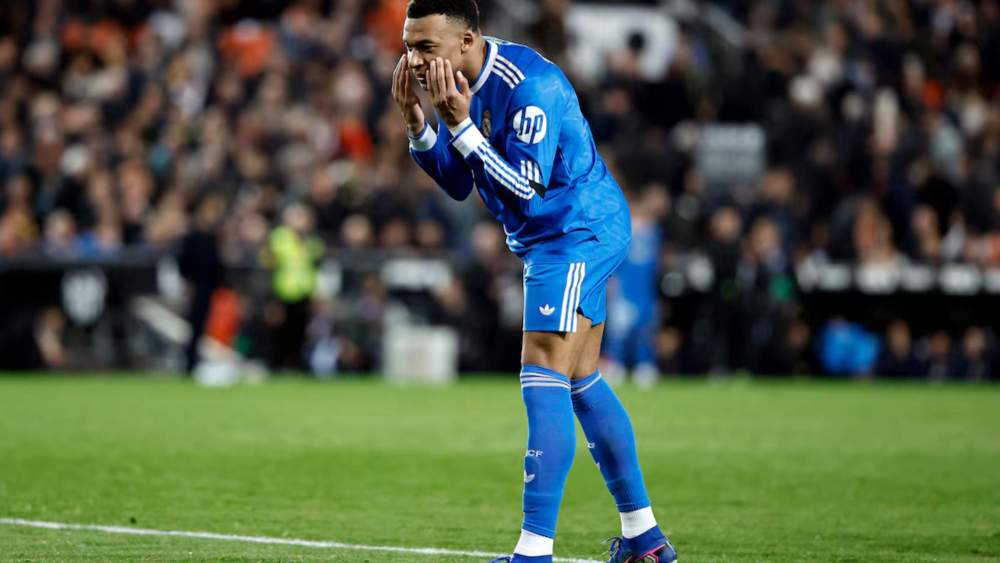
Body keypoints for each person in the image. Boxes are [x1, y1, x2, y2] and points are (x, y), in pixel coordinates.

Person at [390, 2, 677, 562]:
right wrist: (418, 124)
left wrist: (460, 126)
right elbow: (458, 182)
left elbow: (525, 190)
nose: (415, 60)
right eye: (408, 47)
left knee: (542, 374)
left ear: (466, 41)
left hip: (573, 232)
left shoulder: (529, 87)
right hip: (561, 234)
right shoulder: (459, 84)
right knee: (581, 379)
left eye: (425, 47)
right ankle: (645, 538)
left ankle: (534, 550)